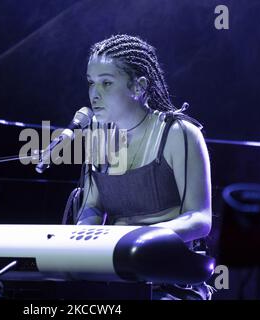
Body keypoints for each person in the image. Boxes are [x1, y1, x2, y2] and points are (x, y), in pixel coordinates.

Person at [74, 34, 213, 300]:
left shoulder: (179, 133)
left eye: (106, 83)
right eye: (91, 83)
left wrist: (139, 237)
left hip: (169, 279)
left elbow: (200, 219)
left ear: (138, 86)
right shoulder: (98, 136)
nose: (94, 94)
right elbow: (92, 205)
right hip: (117, 272)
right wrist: (84, 235)